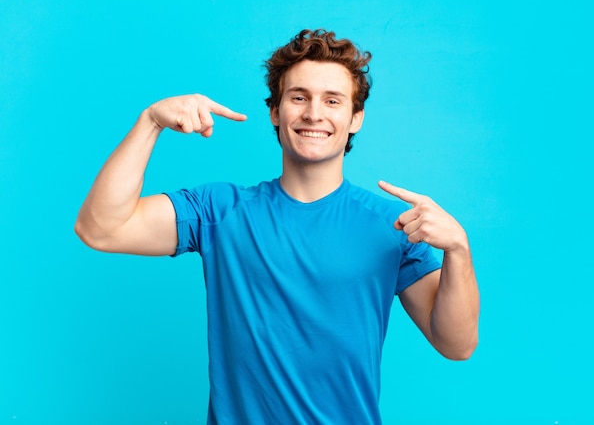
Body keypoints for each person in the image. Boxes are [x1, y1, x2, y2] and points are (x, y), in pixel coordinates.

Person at [75, 29, 479, 424]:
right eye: (298, 97)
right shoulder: (220, 211)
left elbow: (457, 344)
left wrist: (458, 249)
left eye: (332, 100)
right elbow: (101, 228)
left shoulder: (393, 226)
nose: (313, 114)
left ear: (356, 118)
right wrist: (150, 122)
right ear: (275, 111)